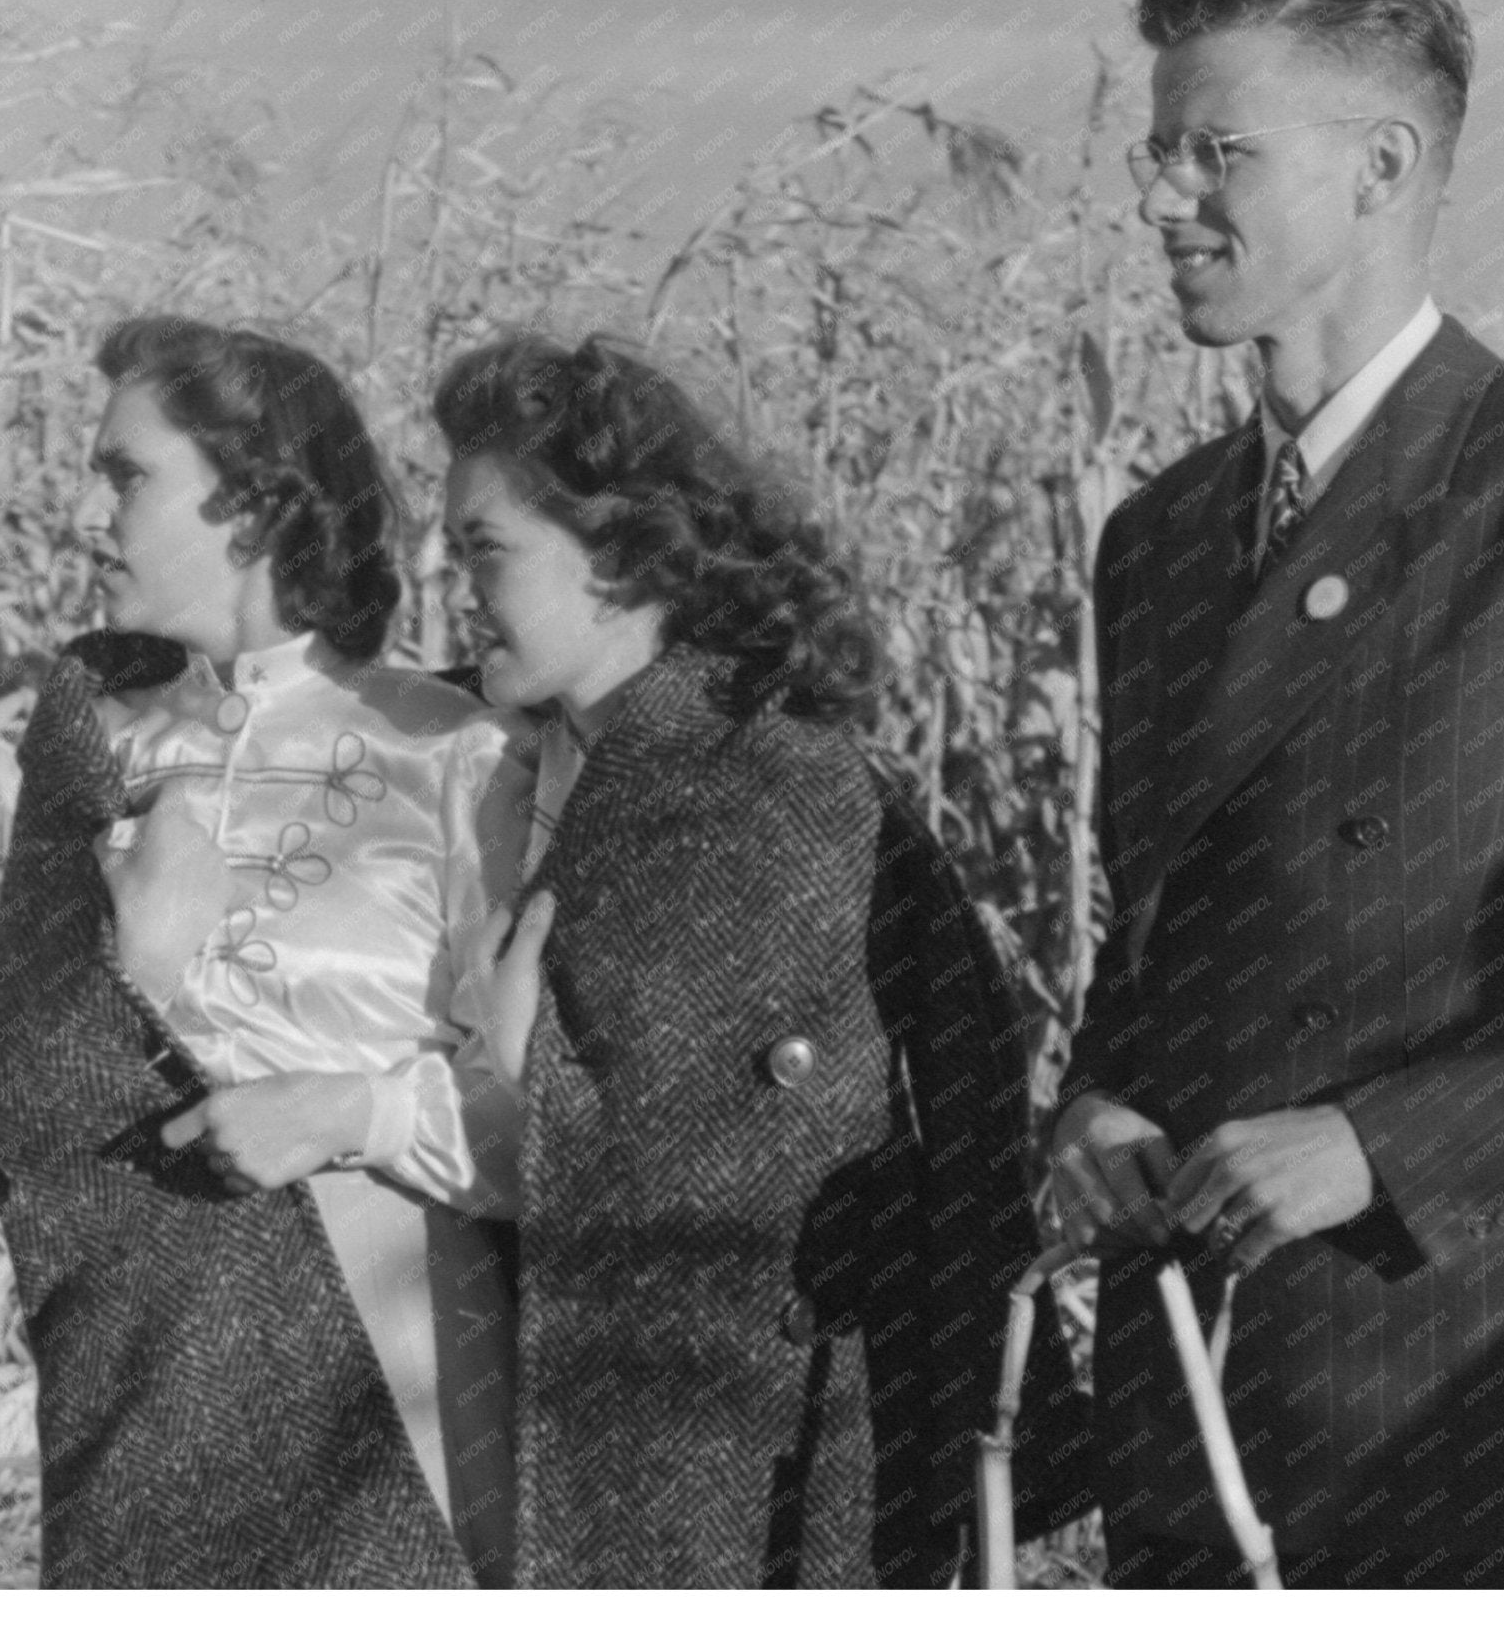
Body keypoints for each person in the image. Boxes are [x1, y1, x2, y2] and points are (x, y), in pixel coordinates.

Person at [1050, 0, 1504, 1588]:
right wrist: (1096, 1095)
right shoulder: (1158, 539)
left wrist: (1386, 1145)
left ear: (1380, 166)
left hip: (1459, 1403)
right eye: (1154, 151)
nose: (1157, 198)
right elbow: (1169, 931)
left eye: (1217, 152)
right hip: (1191, 1382)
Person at [432, 333, 1090, 1588]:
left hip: (732, 1467)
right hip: (558, 1445)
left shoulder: (763, 790)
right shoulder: (517, 755)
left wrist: (508, 1077)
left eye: (485, 548)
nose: (455, 580)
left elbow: (734, 1192)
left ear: (621, 558)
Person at [0, 315, 532, 1588]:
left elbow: (541, 1126)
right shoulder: (92, 751)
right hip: (140, 1354)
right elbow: (8, 1105)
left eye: (125, 473)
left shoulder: (450, 751)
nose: (85, 511)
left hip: (391, 1353)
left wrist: (344, 1110)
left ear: (258, 504)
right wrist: (141, 966)